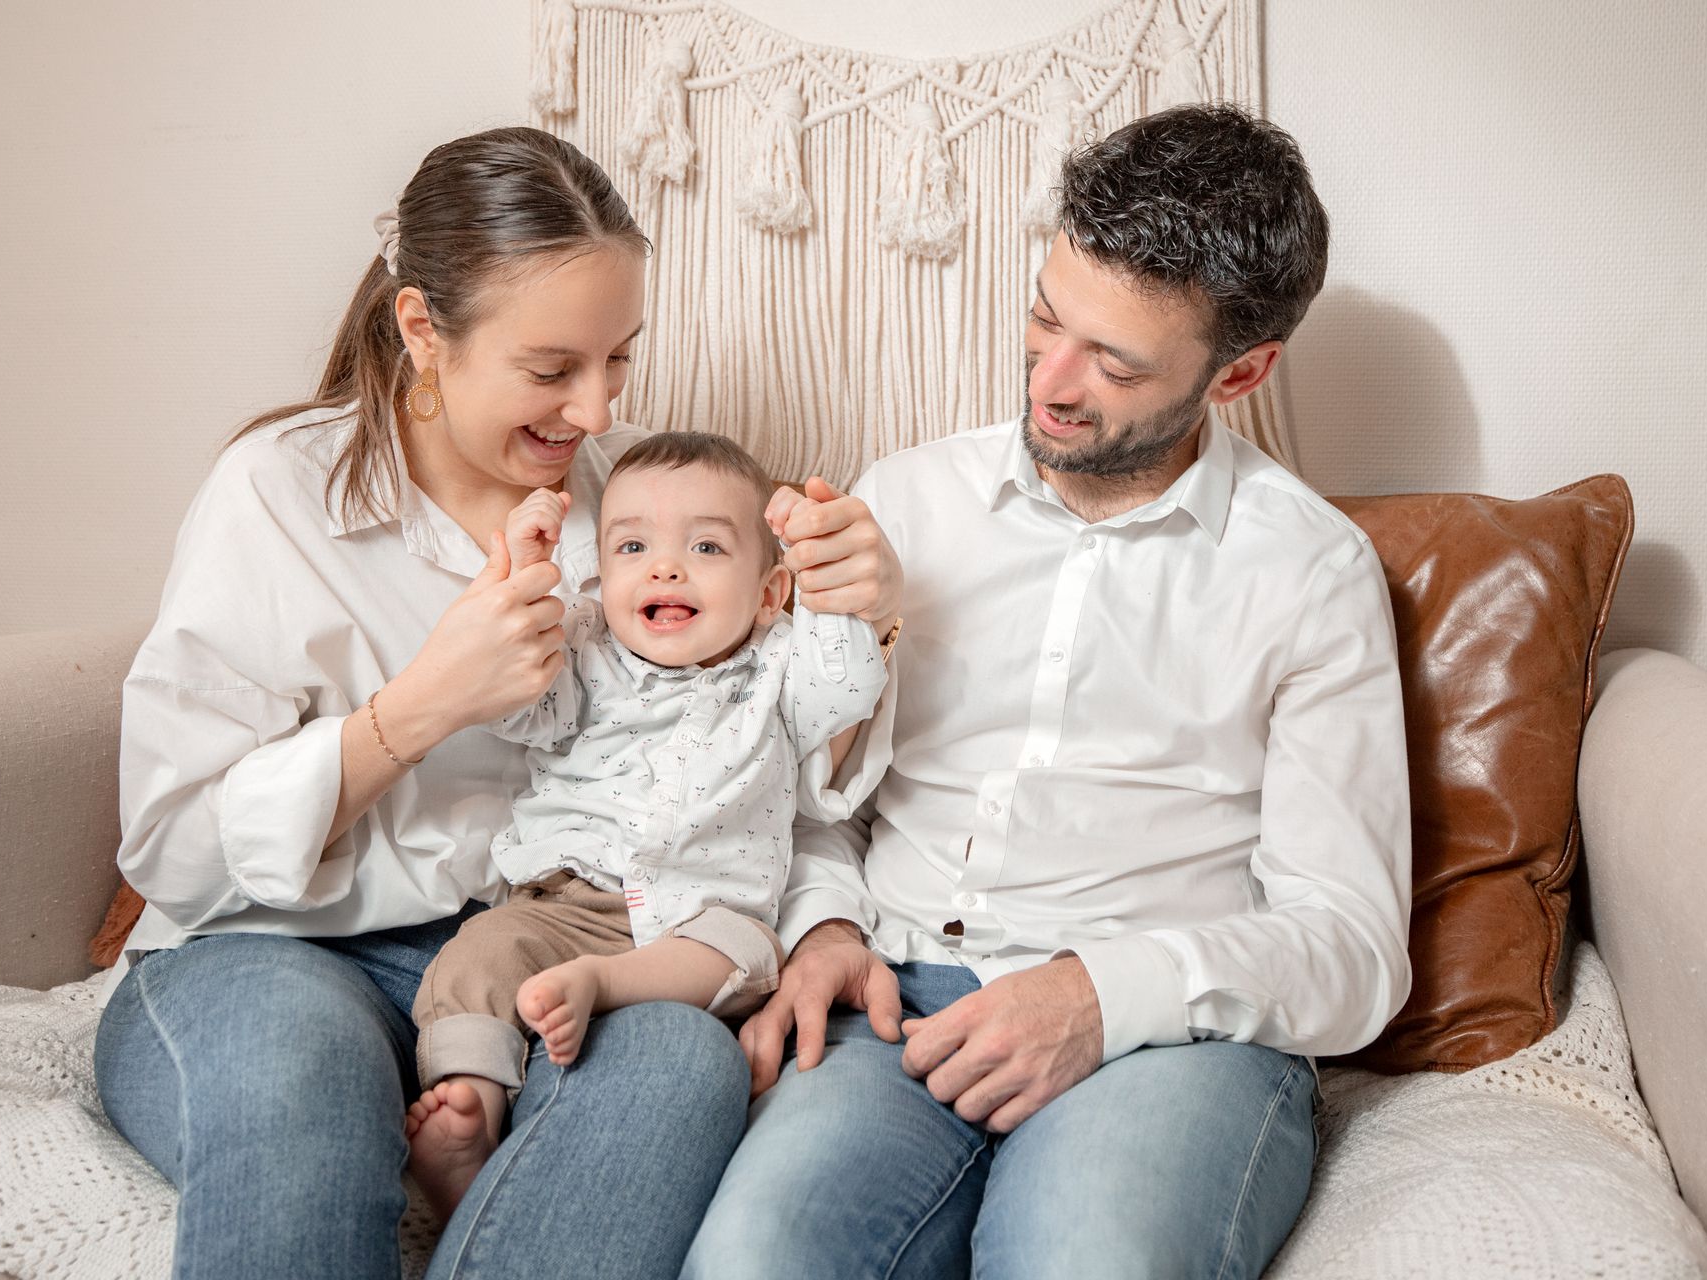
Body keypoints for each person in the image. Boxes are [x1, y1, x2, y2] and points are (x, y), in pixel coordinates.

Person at [90, 127, 902, 1280]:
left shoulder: (644, 515)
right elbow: (172, 845)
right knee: (302, 1104)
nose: (593, 404)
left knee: (682, 1062)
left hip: (565, 944)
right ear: (425, 329)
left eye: (619, 358)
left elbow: (747, 764)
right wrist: (418, 707)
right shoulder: (277, 494)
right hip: (274, 950)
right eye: (552, 366)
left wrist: (858, 639)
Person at [684, 104, 1413, 1279]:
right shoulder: (905, 502)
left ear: (1244, 371)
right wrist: (821, 920)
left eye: (1116, 361)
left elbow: (1353, 943)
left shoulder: (1311, 573)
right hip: (898, 994)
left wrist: (1096, 995)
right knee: (754, 1255)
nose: (1052, 381)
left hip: (1167, 1031)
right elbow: (813, 801)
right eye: (1043, 316)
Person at [402, 431, 894, 1218]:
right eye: (634, 546)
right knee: (479, 954)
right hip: (564, 902)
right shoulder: (584, 650)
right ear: (600, 579)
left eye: (705, 546)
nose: (666, 567)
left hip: (704, 920)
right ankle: (470, 1104)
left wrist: (826, 589)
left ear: (769, 594)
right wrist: (531, 578)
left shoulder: (779, 666)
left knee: (748, 953)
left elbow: (848, 691)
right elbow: (516, 708)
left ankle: (601, 987)